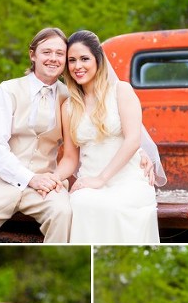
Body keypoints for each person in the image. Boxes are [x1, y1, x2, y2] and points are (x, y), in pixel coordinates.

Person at [0, 27, 73, 243]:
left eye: (59, 53)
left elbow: (92, 133)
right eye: (47, 52)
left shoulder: (69, 97)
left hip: (47, 182)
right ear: (32, 54)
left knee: (63, 215)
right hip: (2, 180)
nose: (53, 58)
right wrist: (30, 178)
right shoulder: (6, 91)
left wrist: (138, 154)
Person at [55, 30, 161, 244]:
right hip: (89, 181)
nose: (78, 66)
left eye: (84, 58)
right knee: (80, 203)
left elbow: (133, 140)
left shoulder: (121, 91)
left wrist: (101, 179)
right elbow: (70, 158)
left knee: (112, 207)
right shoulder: (68, 107)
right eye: (72, 61)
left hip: (128, 181)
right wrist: (52, 179)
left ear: (98, 60)